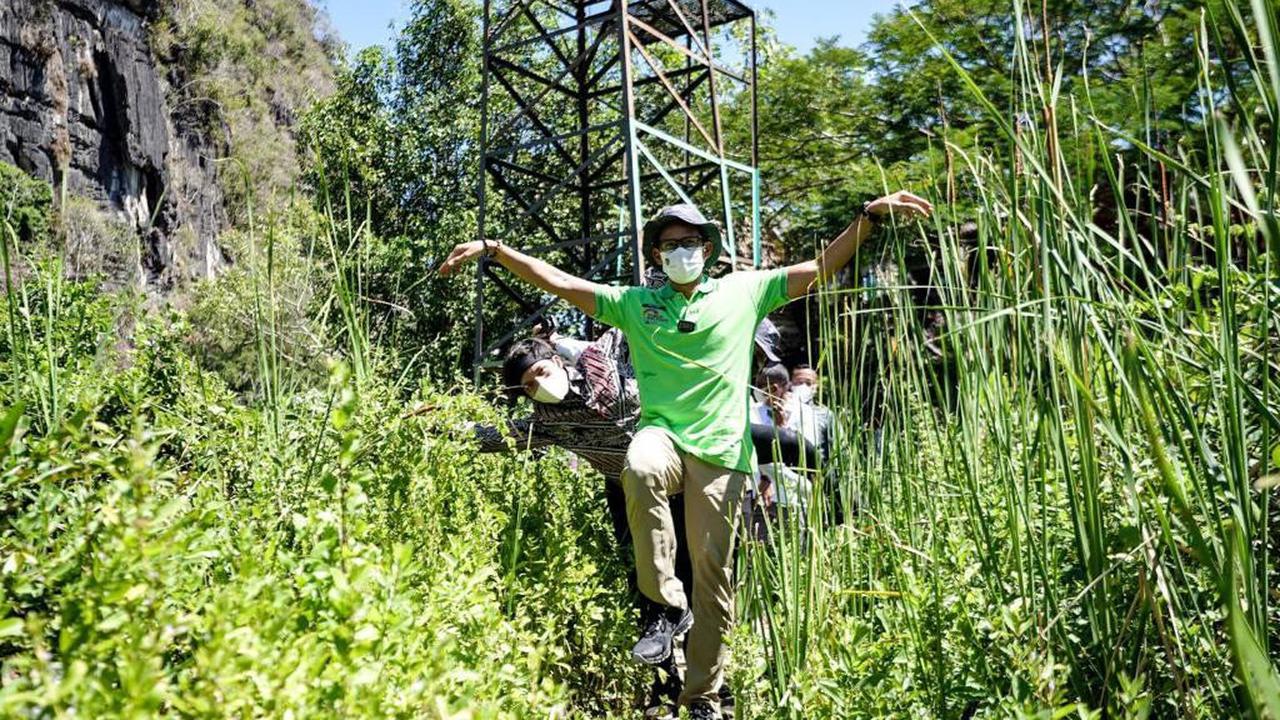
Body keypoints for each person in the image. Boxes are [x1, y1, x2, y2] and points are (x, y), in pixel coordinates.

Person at [442, 190, 933, 719]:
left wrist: (867, 217)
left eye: (691, 242)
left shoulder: (744, 291)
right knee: (641, 464)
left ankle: (702, 695)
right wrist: (496, 250)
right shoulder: (636, 304)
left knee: (714, 577)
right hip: (664, 436)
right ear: (657, 255)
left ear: (708, 247)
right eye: (671, 244)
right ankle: (663, 607)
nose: (682, 251)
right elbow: (559, 281)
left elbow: (817, 268)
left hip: (722, 452)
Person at [470, 330, 693, 717]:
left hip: (676, 482)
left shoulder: (600, 361)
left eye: (539, 371)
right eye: (527, 385)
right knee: (644, 586)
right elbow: (498, 437)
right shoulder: (548, 422)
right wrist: (437, 431)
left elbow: (630, 318)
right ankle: (666, 689)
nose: (538, 384)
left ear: (556, 361)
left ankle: (705, 687)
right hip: (624, 495)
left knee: (690, 581)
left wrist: (560, 338)